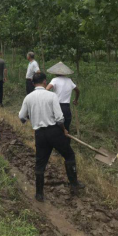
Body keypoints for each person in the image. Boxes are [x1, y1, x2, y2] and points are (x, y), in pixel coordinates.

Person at [19, 72, 85, 202]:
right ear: (45, 82)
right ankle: (74, 184)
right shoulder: (52, 96)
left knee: (40, 163)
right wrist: (64, 130)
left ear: (33, 83)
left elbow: (21, 117)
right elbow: (60, 118)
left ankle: (39, 194)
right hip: (54, 132)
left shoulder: (28, 98)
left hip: (40, 134)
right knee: (69, 156)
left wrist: (28, 117)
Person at [46, 62, 80, 132]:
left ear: (56, 73)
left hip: (56, 106)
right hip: (66, 108)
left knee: (56, 128)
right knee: (66, 128)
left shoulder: (54, 80)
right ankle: (66, 141)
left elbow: (46, 89)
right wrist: (76, 100)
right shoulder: (69, 81)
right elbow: (78, 91)